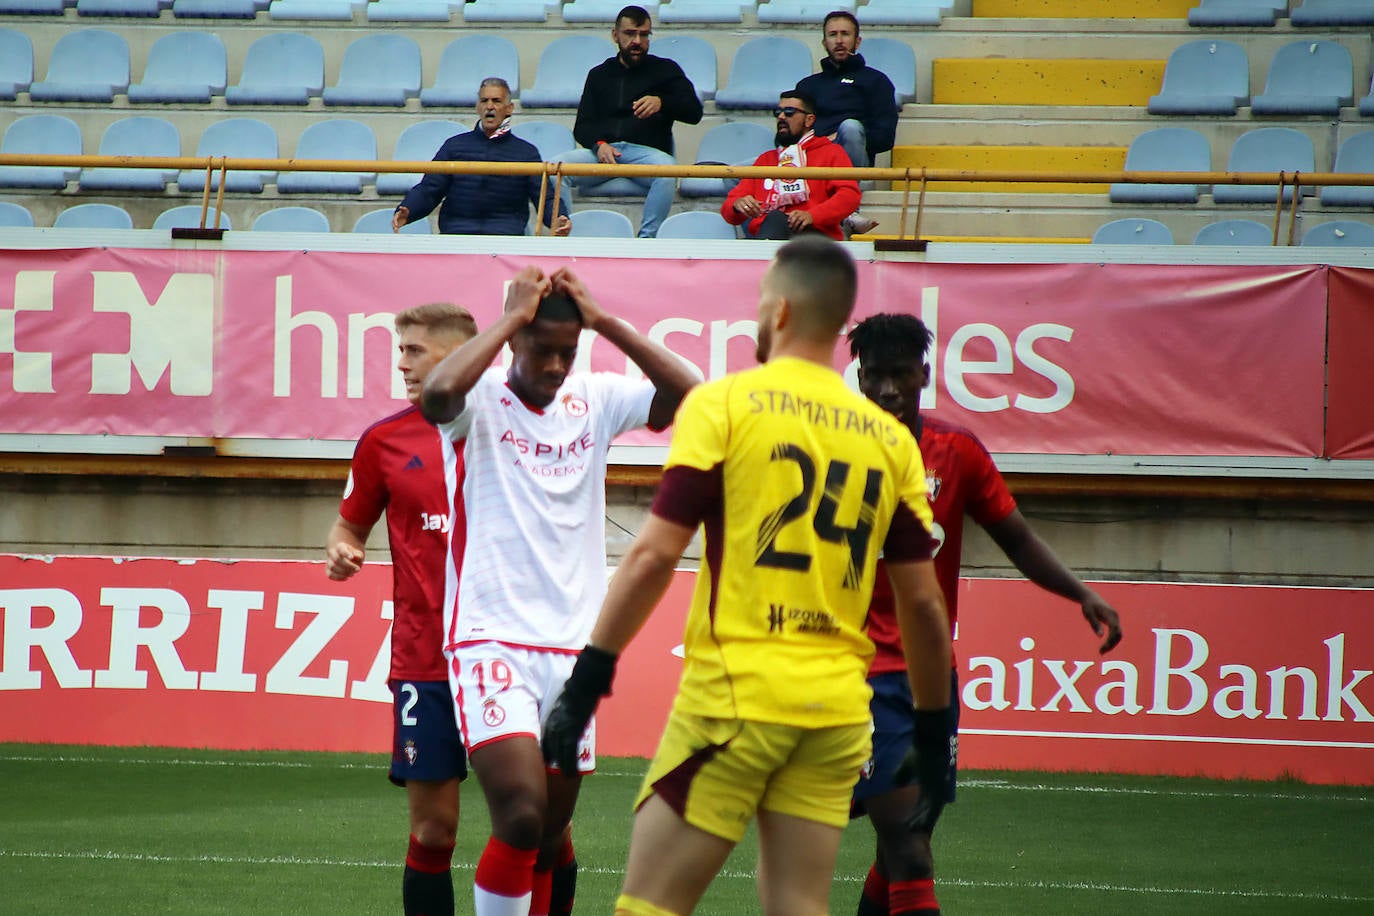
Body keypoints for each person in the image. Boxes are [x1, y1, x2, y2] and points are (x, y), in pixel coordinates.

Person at [541, 236, 956, 916]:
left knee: (647, 904)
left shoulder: (724, 405)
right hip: (836, 716)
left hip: (736, 699)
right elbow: (923, 605)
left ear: (781, 311)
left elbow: (650, 557)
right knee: (797, 906)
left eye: (762, 302)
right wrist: (935, 735)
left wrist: (586, 684)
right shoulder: (888, 440)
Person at [419, 265, 697, 916]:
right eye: (540, 349)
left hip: (573, 651)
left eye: (566, 352)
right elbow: (434, 396)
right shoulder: (478, 400)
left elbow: (690, 394)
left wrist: (604, 323)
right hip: (489, 640)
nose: (553, 364)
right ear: (515, 342)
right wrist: (511, 317)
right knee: (519, 813)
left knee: (547, 837)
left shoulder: (594, 398)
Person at [846, 312, 1125, 916]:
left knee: (900, 851)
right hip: (847, 676)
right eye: (875, 377)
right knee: (909, 853)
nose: (887, 389)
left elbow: (1017, 539)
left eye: (899, 375)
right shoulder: (831, 453)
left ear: (923, 374)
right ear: (859, 379)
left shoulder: (956, 452)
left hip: (925, 683)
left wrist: (1082, 593)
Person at [325, 302, 480, 916]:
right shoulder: (383, 441)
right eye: (401, 350)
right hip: (427, 658)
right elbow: (347, 529)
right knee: (433, 832)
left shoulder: (511, 425)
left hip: (515, 651)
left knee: (539, 825)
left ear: (460, 355)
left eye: (416, 350)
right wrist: (341, 551)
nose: (402, 363)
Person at [556, 5, 703, 238]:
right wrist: (599, 145)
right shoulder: (599, 74)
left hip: (645, 156)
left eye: (644, 35)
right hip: (602, 155)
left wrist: (662, 102)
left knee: (668, 170)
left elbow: (694, 112)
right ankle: (565, 235)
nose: (637, 41)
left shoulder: (666, 69)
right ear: (615, 35)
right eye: (630, 34)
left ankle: (646, 240)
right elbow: (582, 126)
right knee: (555, 168)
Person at [393, 78, 571, 237]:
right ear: (477, 107)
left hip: (504, 239)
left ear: (509, 109)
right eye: (484, 101)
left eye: (497, 101)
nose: (490, 106)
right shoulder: (454, 146)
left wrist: (558, 219)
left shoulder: (526, 152)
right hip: (456, 235)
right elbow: (429, 189)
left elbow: (544, 198)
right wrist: (408, 209)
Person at [795, 10, 899, 236]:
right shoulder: (806, 86)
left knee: (850, 127)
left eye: (845, 34)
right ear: (824, 42)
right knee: (736, 175)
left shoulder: (876, 81)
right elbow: (790, 132)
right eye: (833, 35)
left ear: (857, 40)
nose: (839, 41)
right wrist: (825, 142)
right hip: (811, 158)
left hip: (853, 158)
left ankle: (848, 206)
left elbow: (884, 138)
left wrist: (839, 139)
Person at [721, 89, 860, 241]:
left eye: (789, 112)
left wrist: (813, 215)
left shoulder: (831, 152)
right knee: (774, 219)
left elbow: (849, 196)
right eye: (778, 112)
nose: (781, 117)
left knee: (774, 221)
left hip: (815, 240)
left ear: (809, 120)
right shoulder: (766, 160)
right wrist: (737, 204)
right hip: (771, 233)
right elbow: (729, 211)